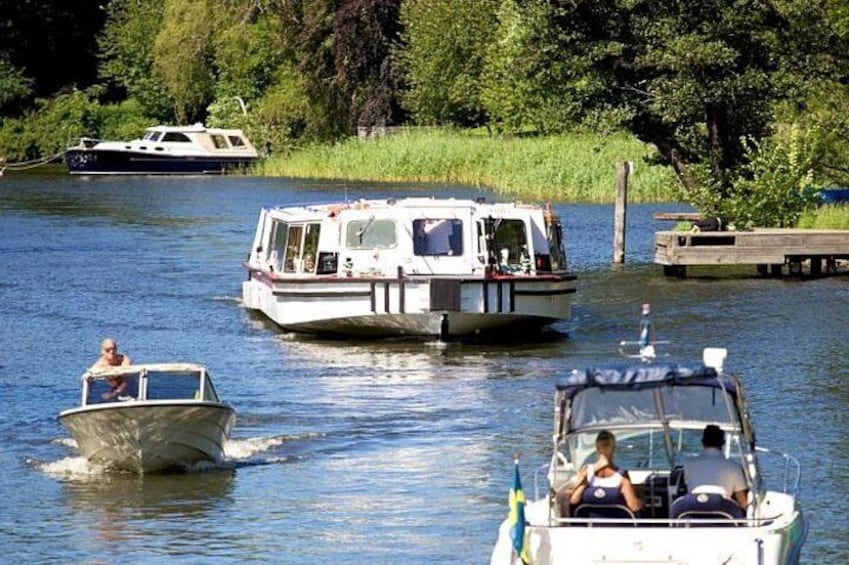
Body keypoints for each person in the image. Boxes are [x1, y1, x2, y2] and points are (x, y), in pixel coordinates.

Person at [567, 430, 643, 514]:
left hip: (589, 524)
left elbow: (574, 500)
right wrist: (642, 502)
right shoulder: (622, 477)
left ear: (597, 447)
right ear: (614, 447)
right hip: (617, 525)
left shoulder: (586, 473)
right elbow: (634, 506)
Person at [683, 424, 749, 511]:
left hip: (693, 514)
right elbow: (743, 503)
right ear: (722, 443)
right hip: (723, 516)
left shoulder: (689, 464)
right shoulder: (734, 467)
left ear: (703, 443)